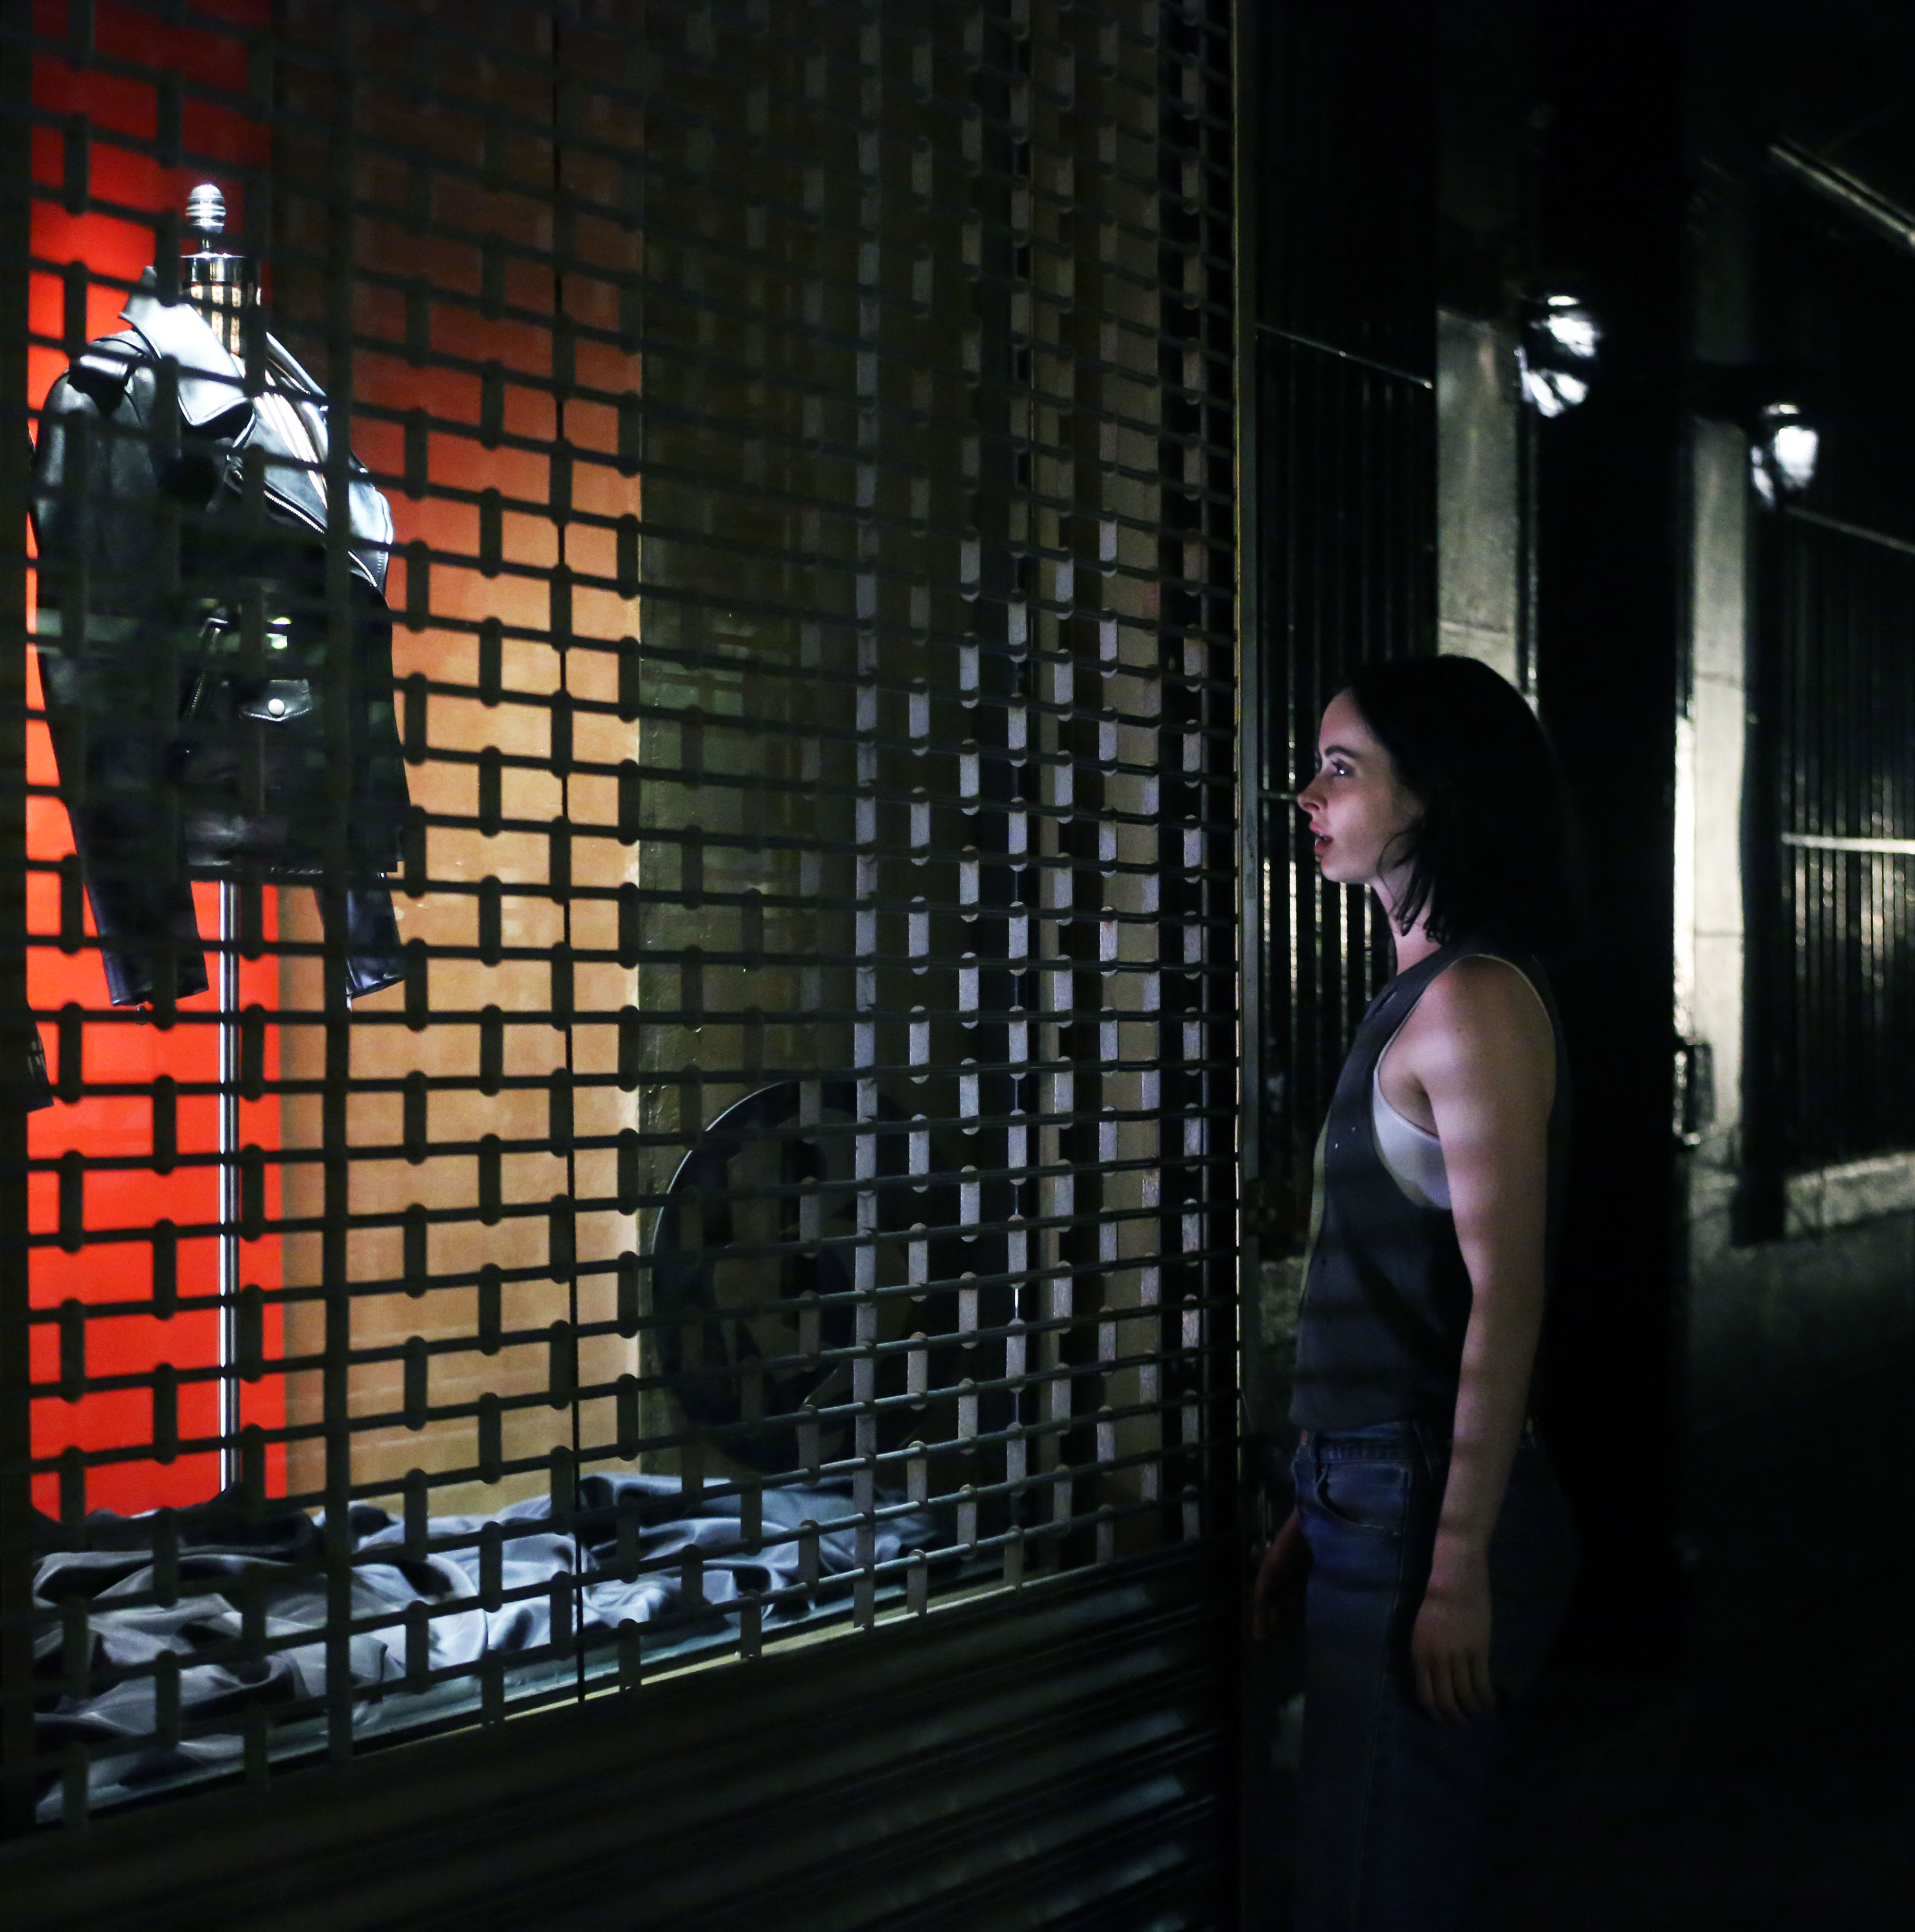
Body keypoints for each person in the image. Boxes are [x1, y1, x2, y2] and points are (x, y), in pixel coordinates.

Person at [1252, 655, 1582, 1932]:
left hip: (1418, 1504)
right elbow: (1376, 1283)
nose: (1308, 795)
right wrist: (1313, 1497)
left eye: (1341, 769)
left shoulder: (1472, 1002)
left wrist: (1453, 1565)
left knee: (1377, 1881)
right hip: (1368, 1494)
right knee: (1355, 1857)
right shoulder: (1417, 995)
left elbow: (1509, 1299)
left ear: (1432, 795)